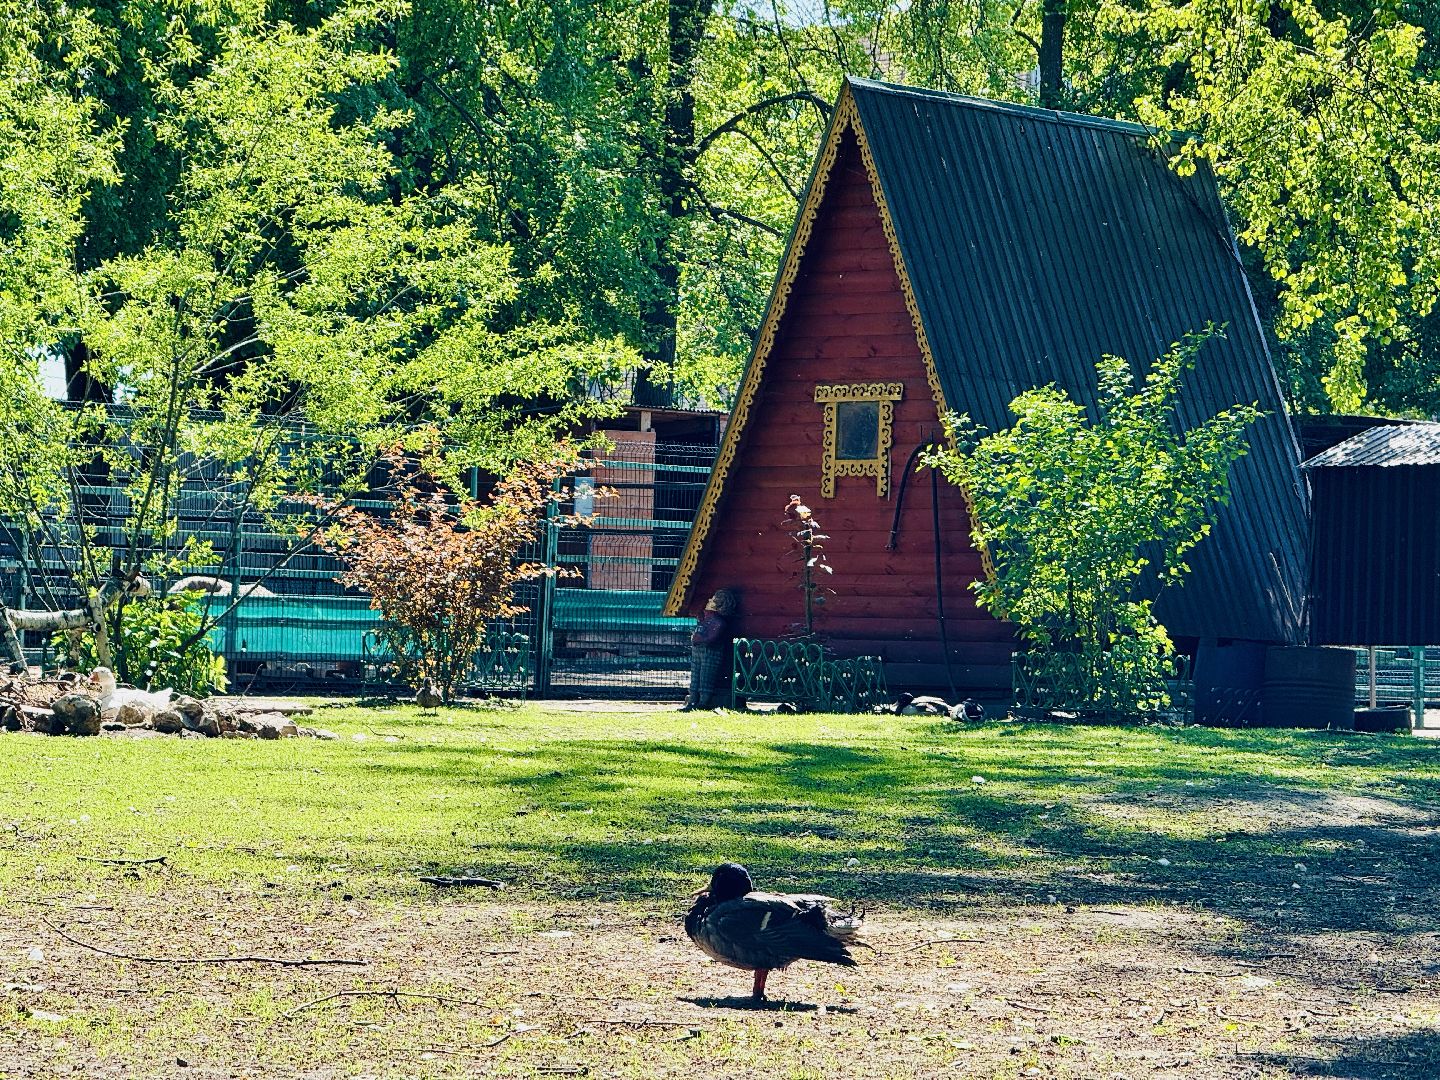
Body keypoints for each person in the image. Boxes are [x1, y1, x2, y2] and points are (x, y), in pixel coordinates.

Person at [683, 589, 738, 711]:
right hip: (699, 651)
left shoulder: (717, 622)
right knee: (696, 677)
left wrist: (697, 638)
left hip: (710, 653)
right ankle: (692, 701)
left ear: (718, 604)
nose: (708, 600)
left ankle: (703, 702)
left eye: (712, 599)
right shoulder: (706, 619)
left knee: (705, 678)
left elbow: (710, 638)